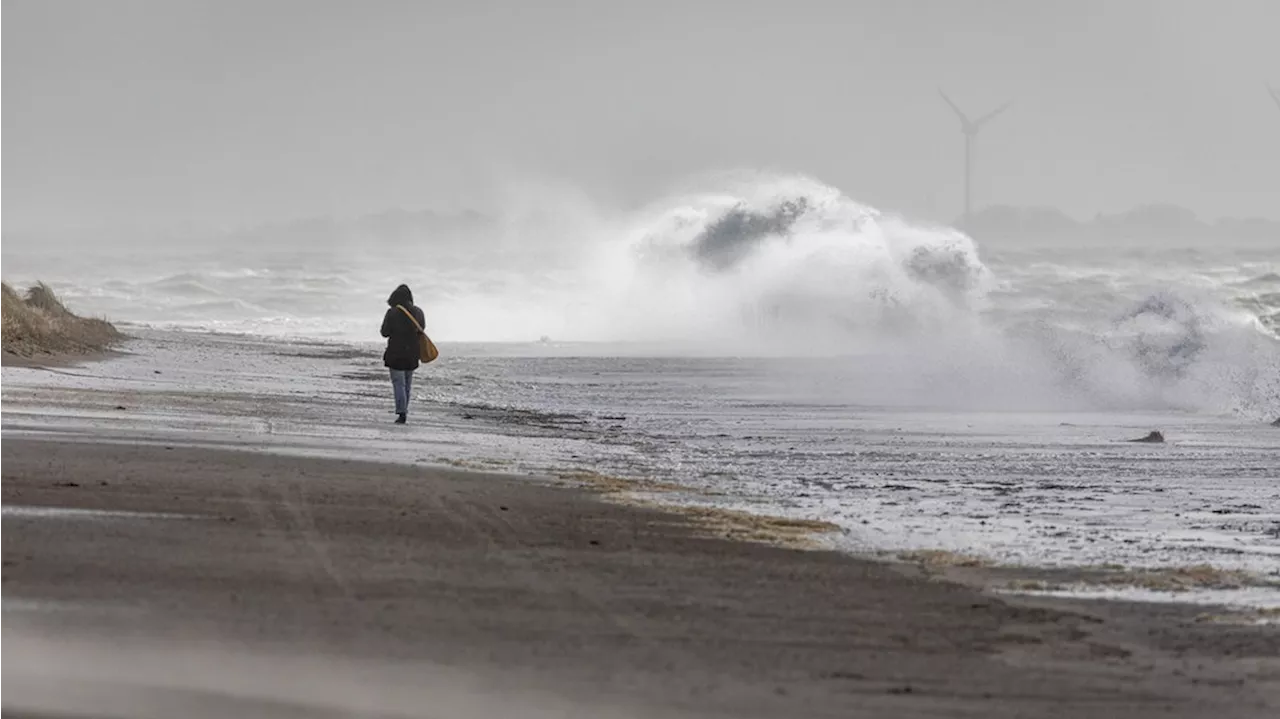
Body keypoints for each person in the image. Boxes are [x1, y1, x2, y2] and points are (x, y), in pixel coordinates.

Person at [380, 284, 427, 424]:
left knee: (398, 383)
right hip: (412, 353)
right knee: (407, 384)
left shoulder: (392, 312)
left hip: (396, 353)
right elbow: (422, 329)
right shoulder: (418, 312)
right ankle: (403, 410)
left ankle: (402, 412)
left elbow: (384, 332)